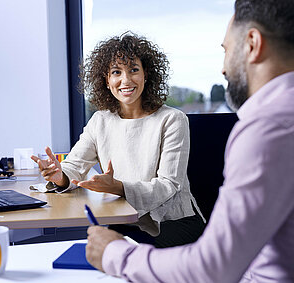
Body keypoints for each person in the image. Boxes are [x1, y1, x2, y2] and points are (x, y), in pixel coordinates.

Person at [85, 0, 294, 282]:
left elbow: (214, 268)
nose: (223, 69)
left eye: (226, 51)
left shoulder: (268, 130)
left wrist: (114, 254)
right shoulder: (101, 120)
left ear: (252, 44)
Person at [31, 33, 205, 248]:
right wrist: (60, 177)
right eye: (116, 72)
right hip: (122, 219)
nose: (126, 80)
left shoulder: (172, 119)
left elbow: (168, 186)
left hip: (171, 223)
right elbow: (74, 166)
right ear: (106, 80)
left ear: (146, 74)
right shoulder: (100, 121)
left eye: (134, 70)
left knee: (110, 256)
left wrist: (119, 187)